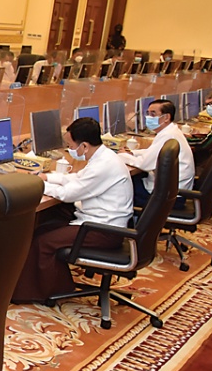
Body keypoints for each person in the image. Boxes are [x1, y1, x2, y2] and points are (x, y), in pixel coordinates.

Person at [11, 118, 133, 303]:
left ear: (84, 145)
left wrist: (38, 185)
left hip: (104, 230)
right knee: (42, 228)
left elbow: (68, 194)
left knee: (43, 241)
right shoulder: (103, 156)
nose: (69, 149)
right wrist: (47, 177)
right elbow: (77, 178)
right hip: (99, 221)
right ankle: (57, 285)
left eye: (70, 145)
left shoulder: (104, 165)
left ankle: (43, 293)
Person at [117, 99, 195, 208]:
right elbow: (153, 152)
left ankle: (129, 222)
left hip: (168, 198)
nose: (148, 117)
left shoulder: (168, 135)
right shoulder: (171, 131)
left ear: (166, 117)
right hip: (174, 191)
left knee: (119, 184)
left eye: (153, 114)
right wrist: (132, 153)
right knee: (133, 177)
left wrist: (121, 156)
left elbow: (144, 164)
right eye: (148, 113)